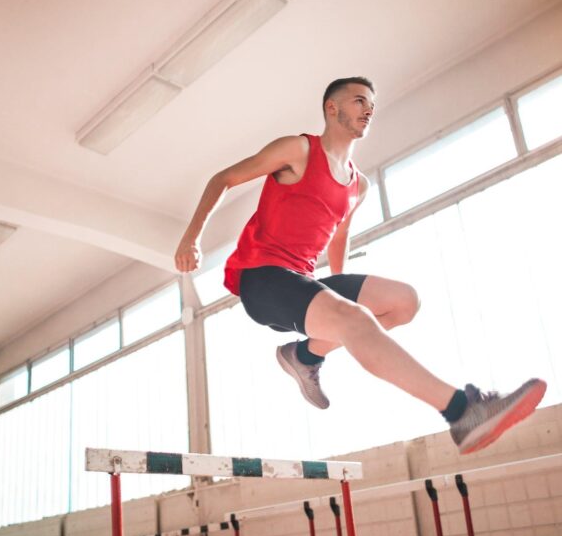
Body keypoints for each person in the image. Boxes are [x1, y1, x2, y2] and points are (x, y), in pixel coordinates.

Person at [174, 76, 546, 455]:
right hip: (264, 279)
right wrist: (191, 238)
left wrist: (337, 291)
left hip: (302, 278)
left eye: (371, 104)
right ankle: (461, 412)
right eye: (358, 101)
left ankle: (304, 355)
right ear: (331, 108)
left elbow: (338, 236)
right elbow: (225, 178)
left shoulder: (358, 185)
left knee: (403, 302)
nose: (368, 109)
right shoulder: (299, 149)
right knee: (353, 320)